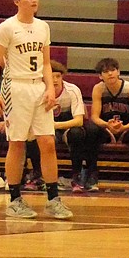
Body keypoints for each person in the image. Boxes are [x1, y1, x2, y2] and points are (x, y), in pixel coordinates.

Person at [0, 0, 72, 219]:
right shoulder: (7, 27)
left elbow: (46, 63)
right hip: (15, 87)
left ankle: (53, 199)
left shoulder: (43, 27)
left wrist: (49, 88)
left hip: (38, 87)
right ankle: (14, 199)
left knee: (47, 143)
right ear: (17, 1)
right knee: (17, 143)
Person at [89, 57, 129, 193]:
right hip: (106, 129)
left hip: (126, 129)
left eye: (113, 70)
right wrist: (107, 125)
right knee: (91, 130)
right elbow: (94, 116)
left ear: (118, 72)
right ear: (100, 76)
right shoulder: (98, 89)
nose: (110, 74)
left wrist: (124, 128)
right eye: (105, 71)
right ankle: (92, 175)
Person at [43, 60, 87, 190]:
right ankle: (38, 175)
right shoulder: (40, 90)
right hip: (47, 127)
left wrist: (55, 125)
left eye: (58, 76)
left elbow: (79, 121)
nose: (55, 80)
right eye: (51, 77)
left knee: (77, 133)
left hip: (65, 127)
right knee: (38, 136)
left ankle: (76, 175)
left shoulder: (72, 90)